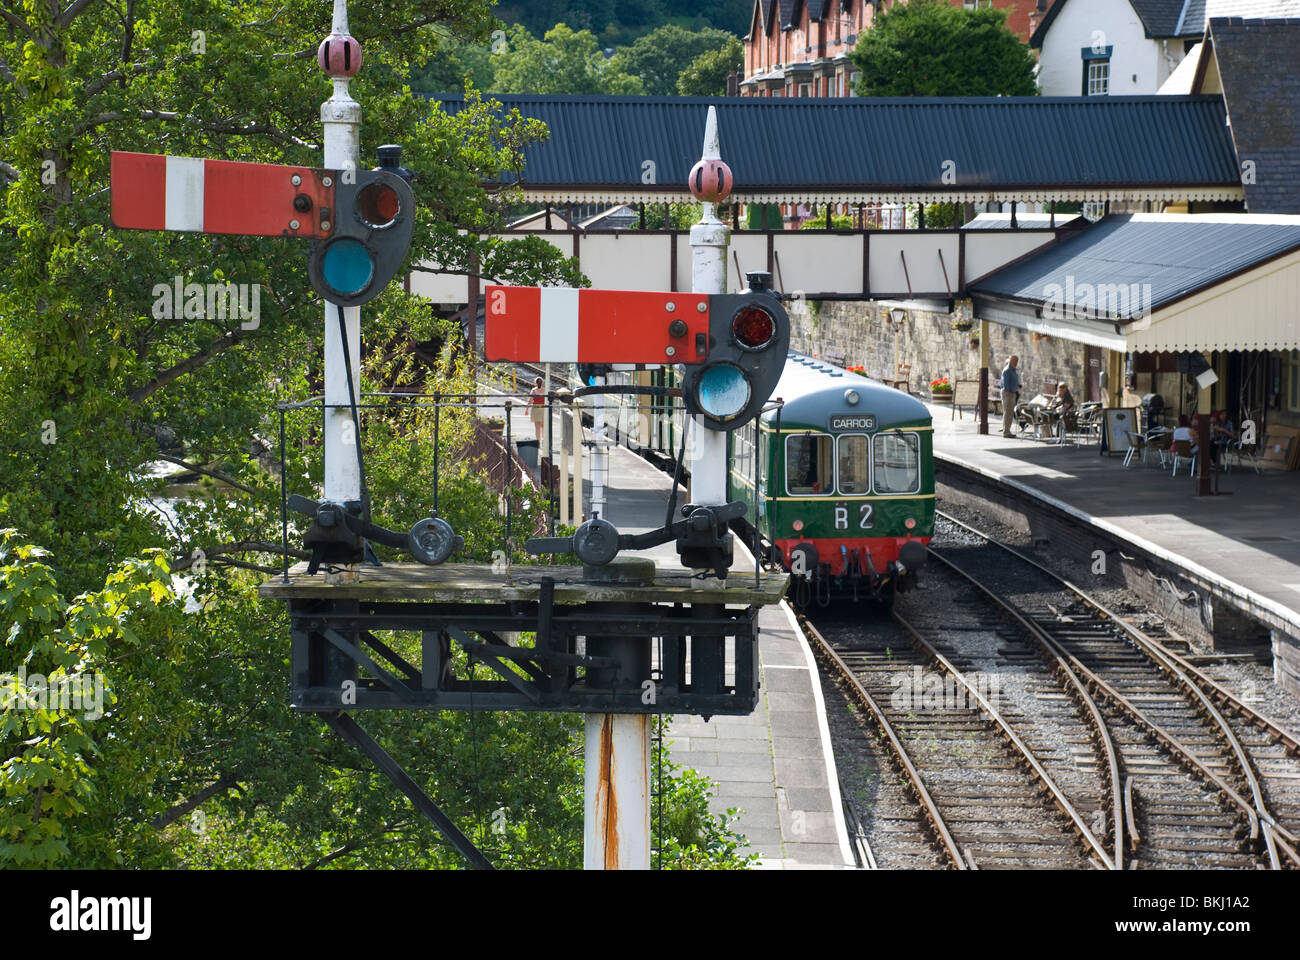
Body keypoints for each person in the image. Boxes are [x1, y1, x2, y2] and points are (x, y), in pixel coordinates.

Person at [999, 355, 1021, 438]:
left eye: (1017, 361)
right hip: (1008, 393)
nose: (1016, 363)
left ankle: (1007, 430)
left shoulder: (1014, 370)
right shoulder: (1007, 370)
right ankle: (1006, 432)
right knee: (1007, 413)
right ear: (1010, 361)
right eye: (1015, 361)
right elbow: (1006, 385)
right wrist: (1010, 393)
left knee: (1010, 413)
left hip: (1012, 393)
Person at [528, 376, 546, 443]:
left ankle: (537, 441)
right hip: (543, 408)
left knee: (537, 427)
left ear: (535, 383)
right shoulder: (545, 390)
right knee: (543, 426)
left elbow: (530, 400)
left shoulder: (533, 390)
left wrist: (527, 409)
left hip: (535, 409)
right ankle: (543, 439)